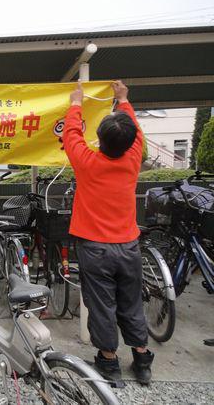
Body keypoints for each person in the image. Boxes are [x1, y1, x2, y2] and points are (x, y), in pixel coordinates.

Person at [63, 80, 154, 385]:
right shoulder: (133, 159)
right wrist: (123, 99)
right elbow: (136, 131)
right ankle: (142, 360)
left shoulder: (87, 163)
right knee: (131, 302)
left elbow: (71, 133)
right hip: (128, 246)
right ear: (130, 143)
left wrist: (76, 102)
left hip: (95, 249)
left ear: (99, 139)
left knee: (102, 305)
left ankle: (109, 363)